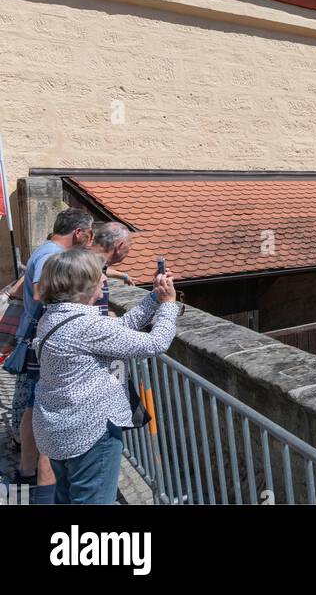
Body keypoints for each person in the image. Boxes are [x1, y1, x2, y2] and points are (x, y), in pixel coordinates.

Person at [33, 248, 178, 505]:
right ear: (82, 285)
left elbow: (119, 328)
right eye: (98, 274)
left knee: (67, 499)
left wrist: (154, 297)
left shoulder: (54, 317)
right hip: (90, 432)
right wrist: (168, 305)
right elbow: (155, 344)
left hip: (58, 428)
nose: (104, 278)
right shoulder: (87, 326)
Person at [11, 209, 94, 504]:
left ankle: (25, 470)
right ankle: (39, 485)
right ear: (79, 233)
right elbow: (39, 293)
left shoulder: (45, 250)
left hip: (37, 340)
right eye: (90, 234)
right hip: (46, 342)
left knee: (34, 408)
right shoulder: (51, 255)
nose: (91, 240)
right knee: (44, 413)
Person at [90, 222, 135, 314]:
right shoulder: (87, 270)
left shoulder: (89, 262)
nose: (129, 251)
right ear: (120, 246)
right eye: (129, 246)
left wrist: (124, 276)